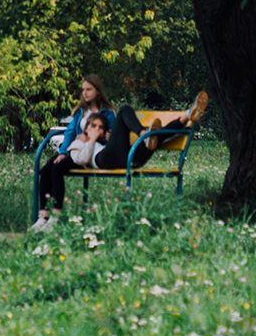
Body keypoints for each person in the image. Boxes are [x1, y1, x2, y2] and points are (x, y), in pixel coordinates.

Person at [30, 90, 209, 232]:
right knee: (124, 111)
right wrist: (91, 139)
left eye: (100, 127)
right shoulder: (79, 142)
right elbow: (82, 158)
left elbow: (113, 140)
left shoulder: (103, 141)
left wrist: (106, 138)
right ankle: (148, 133)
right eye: (93, 126)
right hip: (104, 160)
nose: (96, 129)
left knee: (156, 138)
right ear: (85, 128)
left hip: (132, 158)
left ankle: (187, 115)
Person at [33, 76, 116, 230]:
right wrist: (63, 152)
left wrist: (90, 138)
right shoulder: (81, 111)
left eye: (89, 89)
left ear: (98, 91)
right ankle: (43, 216)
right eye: (83, 90)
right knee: (46, 170)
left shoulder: (108, 112)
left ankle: (55, 217)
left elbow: (110, 138)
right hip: (76, 148)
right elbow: (70, 132)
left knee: (57, 169)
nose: (85, 93)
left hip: (92, 152)